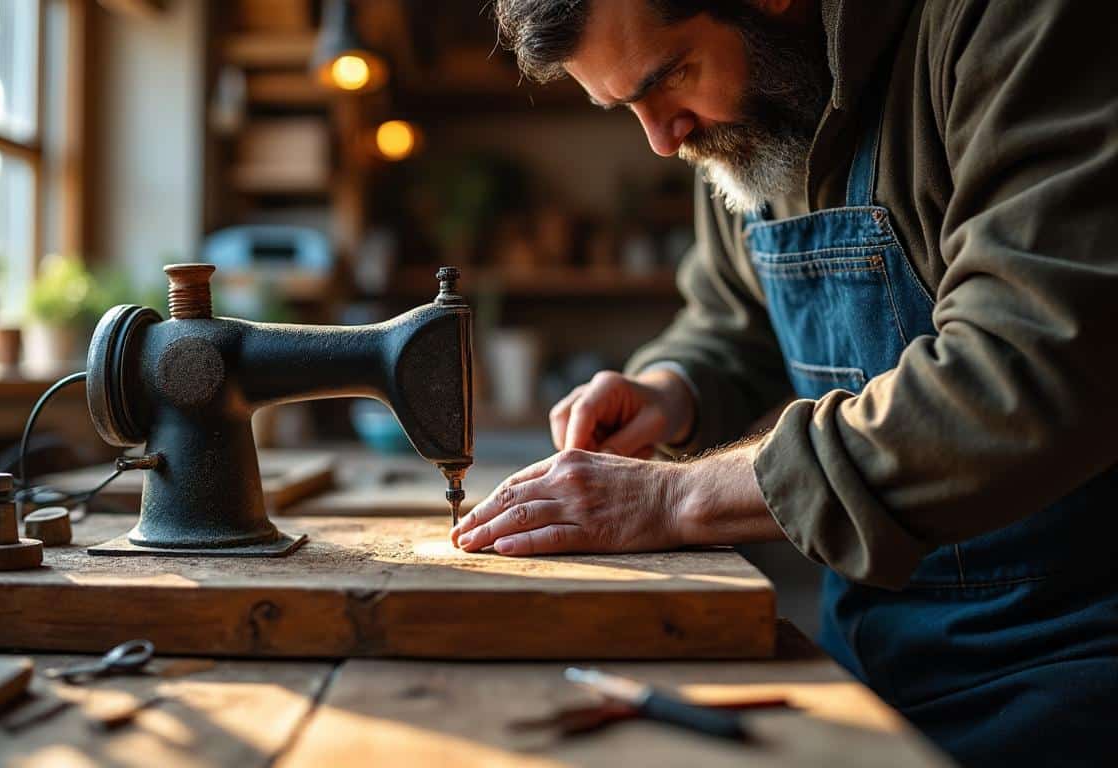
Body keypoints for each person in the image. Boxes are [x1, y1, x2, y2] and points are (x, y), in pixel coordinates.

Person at [448, 1, 1118, 764]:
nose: (662, 140)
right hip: (866, 663)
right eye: (622, 107)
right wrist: (673, 391)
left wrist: (675, 496)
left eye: (668, 78)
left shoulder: (1009, 27)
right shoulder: (748, 112)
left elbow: (1028, 372)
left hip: (1075, 659)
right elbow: (734, 313)